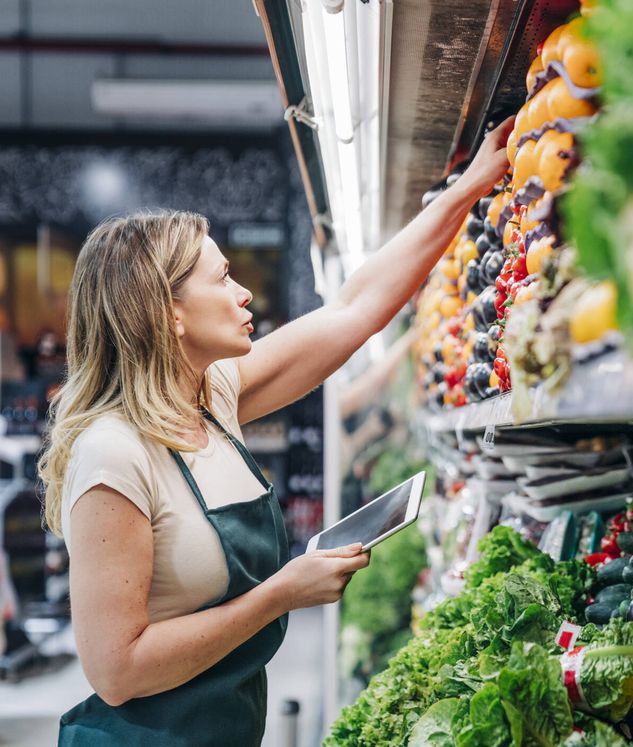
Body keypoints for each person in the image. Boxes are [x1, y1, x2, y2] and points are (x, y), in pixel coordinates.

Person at [38, 118, 513, 746]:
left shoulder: (212, 398)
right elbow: (118, 671)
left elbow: (354, 310)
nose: (243, 295)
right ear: (168, 312)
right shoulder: (113, 454)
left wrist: (469, 187)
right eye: (222, 278)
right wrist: (279, 593)